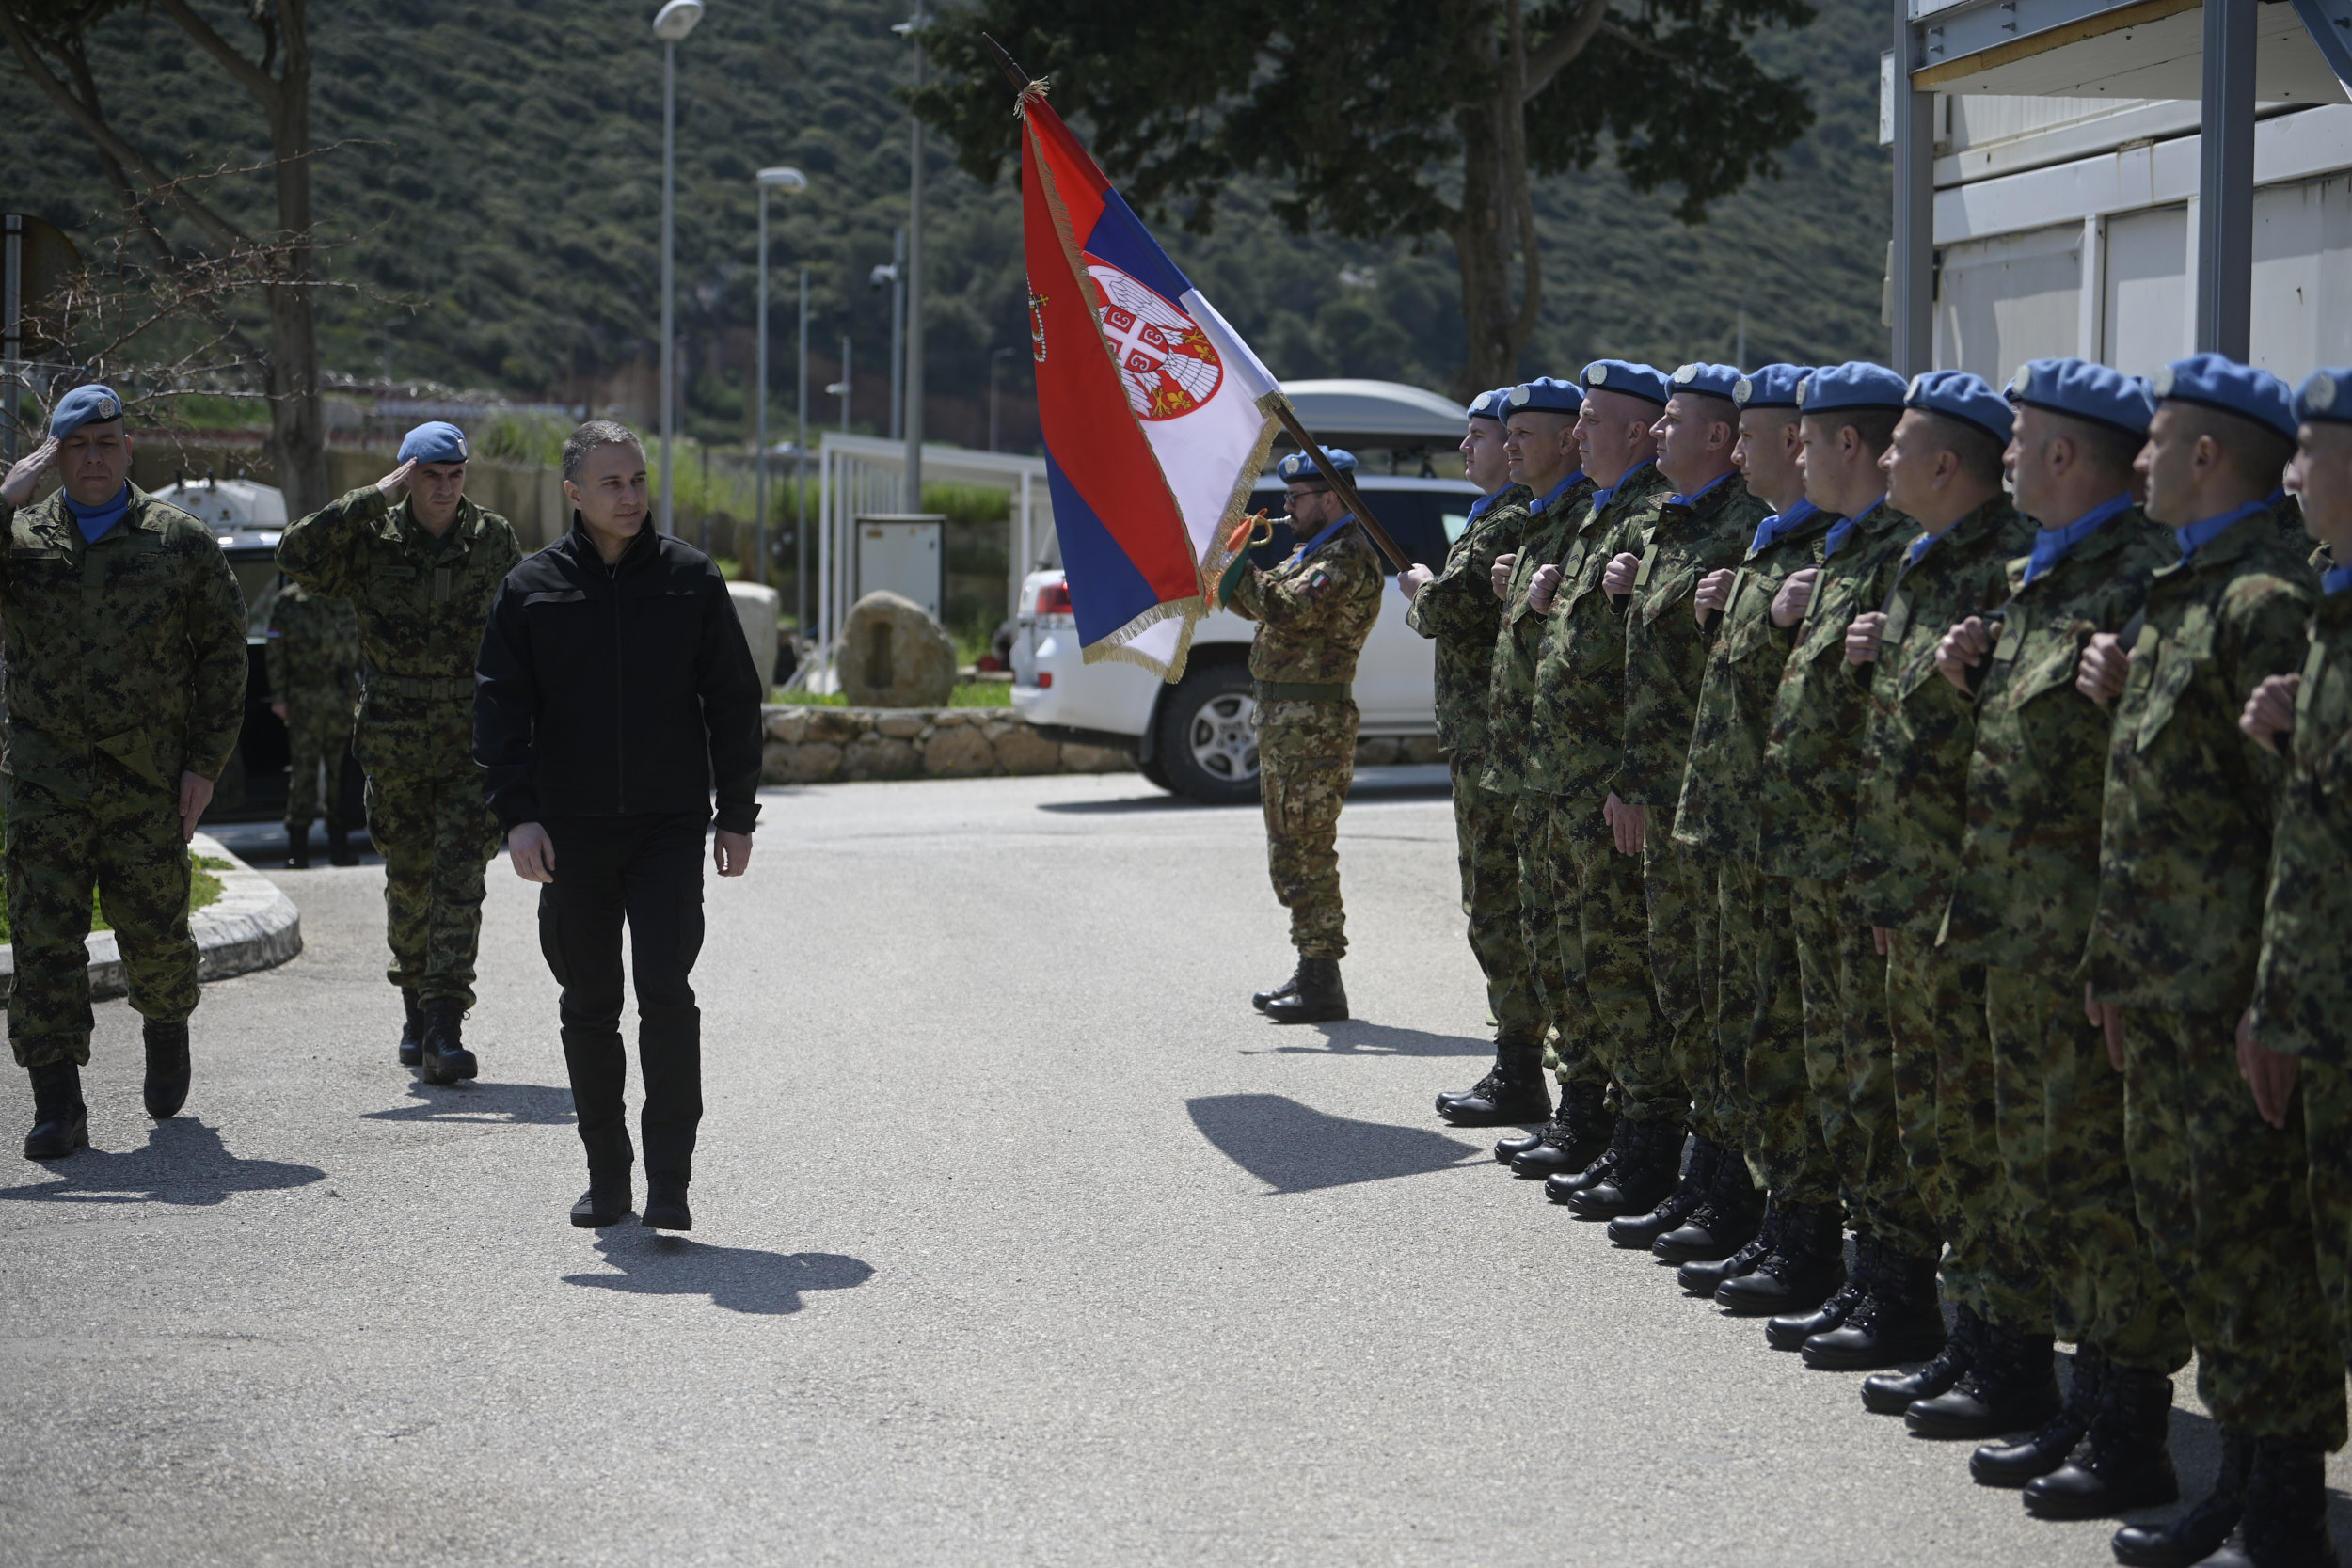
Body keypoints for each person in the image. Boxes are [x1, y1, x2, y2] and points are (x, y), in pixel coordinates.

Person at [2075, 354, 2339, 1568]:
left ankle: (2277, 1505)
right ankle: (2238, 1480)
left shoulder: (2260, 603)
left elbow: (2285, 826)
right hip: (2167, 984)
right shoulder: (2190, 591)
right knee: (2200, 1241)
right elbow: (2155, 806)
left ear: (2199, 454)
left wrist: (2261, 1000)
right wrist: (2119, 963)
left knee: (2250, 1257)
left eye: (2156, 438)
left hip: (2231, 992)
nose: (2134, 459)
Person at [1931, 360, 2185, 1518]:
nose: (2009, 458)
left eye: (2023, 439)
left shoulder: (2137, 577)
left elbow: (2162, 769)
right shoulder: (2048, 573)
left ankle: (2129, 1426)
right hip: (2017, 934)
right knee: (2040, 1172)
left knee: (2097, 1188)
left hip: (2086, 945)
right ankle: (2073, 1398)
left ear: (2065, 455)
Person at [475, 420, 763, 1233]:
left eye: (637, 480)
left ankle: (670, 1182)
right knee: (588, 1003)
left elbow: (734, 701)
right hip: (571, 834)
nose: (631, 496)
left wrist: (735, 815)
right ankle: (608, 1178)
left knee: (667, 996)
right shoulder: (530, 587)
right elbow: (500, 710)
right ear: (574, 493)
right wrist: (519, 817)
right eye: (612, 483)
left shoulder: (690, 578)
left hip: (669, 828)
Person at [1834, 373, 2043, 1420]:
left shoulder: (2005, 576)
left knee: (1984, 1131)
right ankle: (1963, 1332)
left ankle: (2007, 1355)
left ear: (1945, 465)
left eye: (1898, 445)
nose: (1880, 460)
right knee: (1939, 1128)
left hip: (1978, 910)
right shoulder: (1922, 566)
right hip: (1914, 900)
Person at [1699, 364, 1912, 1320]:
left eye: (1799, 437)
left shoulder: (1897, 560)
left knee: (1868, 1077)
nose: (1777, 453)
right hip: (1793, 850)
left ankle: (1886, 1280)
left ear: (1838, 446)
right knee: (1807, 1058)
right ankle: (1809, 1240)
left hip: (1853, 866)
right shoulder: (1831, 553)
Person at [0, 385, 246, 1158]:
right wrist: (4, 496)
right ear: (54, 457)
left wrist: (204, 766)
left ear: (129, 447)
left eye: (108, 442)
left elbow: (225, 657)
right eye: (77, 446)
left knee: (156, 935)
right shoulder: (19, 539)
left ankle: (166, 1029)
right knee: (43, 941)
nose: (95, 457)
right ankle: (57, 1103)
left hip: (147, 780)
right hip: (45, 780)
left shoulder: (178, 541)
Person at [278, 421, 521, 1082]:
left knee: (461, 879)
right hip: (394, 741)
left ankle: (444, 1021)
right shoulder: (371, 541)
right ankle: (415, 1000)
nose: (444, 488)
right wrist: (369, 498)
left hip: (472, 738)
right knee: (409, 880)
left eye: (454, 475)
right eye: (429, 475)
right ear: (408, 474)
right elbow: (294, 555)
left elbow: (523, 631)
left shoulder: (493, 538)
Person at [1582, 362, 1767, 1232]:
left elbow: (1709, 696)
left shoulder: (1744, 532)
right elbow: (1643, 678)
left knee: (1718, 1000)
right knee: (1681, 992)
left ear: (1722, 439)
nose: (1657, 432)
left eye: (1673, 421)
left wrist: (1645, 785)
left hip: (1708, 808)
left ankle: (1728, 1185)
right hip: (1665, 803)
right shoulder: (1664, 525)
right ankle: (1697, 1170)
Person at [1657, 364, 1823, 1270]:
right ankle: (1739, 1196)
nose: (1754, 448)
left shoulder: (1825, 551)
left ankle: (1794, 1227)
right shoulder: (1766, 541)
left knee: (1784, 1037)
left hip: (1783, 842)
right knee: (1735, 1022)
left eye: (1757, 434)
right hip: (1729, 831)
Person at [2229, 365, 2352, 1568]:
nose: (2295, 475)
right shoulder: (2325, 614)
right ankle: (2278, 1504)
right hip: (2313, 1016)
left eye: (2312, 453)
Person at [1514, 360, 1680, 1216]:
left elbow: (1645, 673)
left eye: (1592, 420)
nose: (1577, 434)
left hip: (1607, 789)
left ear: (1643, 431)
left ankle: (1642, 1139)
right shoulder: (1595, 517)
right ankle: (1588, 1117)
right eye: (1576, 419)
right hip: (1561, 782)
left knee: (1619, 968)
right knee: (1574, 963)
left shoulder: (1652, 521)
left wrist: (1630, 777)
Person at [1449, 379, 1601, 1148]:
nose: (1502, 446)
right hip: (1510, 750)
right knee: (1518, 917)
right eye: (1494, 435)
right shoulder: (1537, 519)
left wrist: (1427, 593)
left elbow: (1450, 607)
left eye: (1519, 433)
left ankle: (1556, 1087)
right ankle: (1533, 1073)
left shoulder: (1559, 520)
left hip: (1545, 762)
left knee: (1565, 932)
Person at [1400, 388, 1544, 1111]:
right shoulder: (1492, 516)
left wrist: (1423, 588)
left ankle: (1523, 1069)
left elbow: (1450, 607)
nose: (1470, 448)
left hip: (1499, 742)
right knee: (1491, 902)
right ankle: (1519, 1062)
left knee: (1499, 902)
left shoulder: (1511, 518)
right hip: (1481, 738)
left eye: (1482, 436)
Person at [1230, 448, 1385, 1025]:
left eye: (1297, 498)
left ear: (1334, 498)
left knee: (1307, 846)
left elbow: (1288, 610)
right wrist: (1240, 574)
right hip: (1288, 723)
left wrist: (1238, 565)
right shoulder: (1314, 550)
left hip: (1312, 726)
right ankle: (1311, 967)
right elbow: (1268, 608)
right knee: (1289, 845)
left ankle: (1322, 978)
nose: (1287, 507)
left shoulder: (1344, 557)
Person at [263, 574, 360, 869]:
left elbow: (363, 648)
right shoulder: (289, 602)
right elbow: (275, 651)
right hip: (303, 701)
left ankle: (339, 846)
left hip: (341, 699)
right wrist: (278, 696)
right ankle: (298, 850)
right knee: (304, 775)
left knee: (339, 776)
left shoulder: (347, 598)